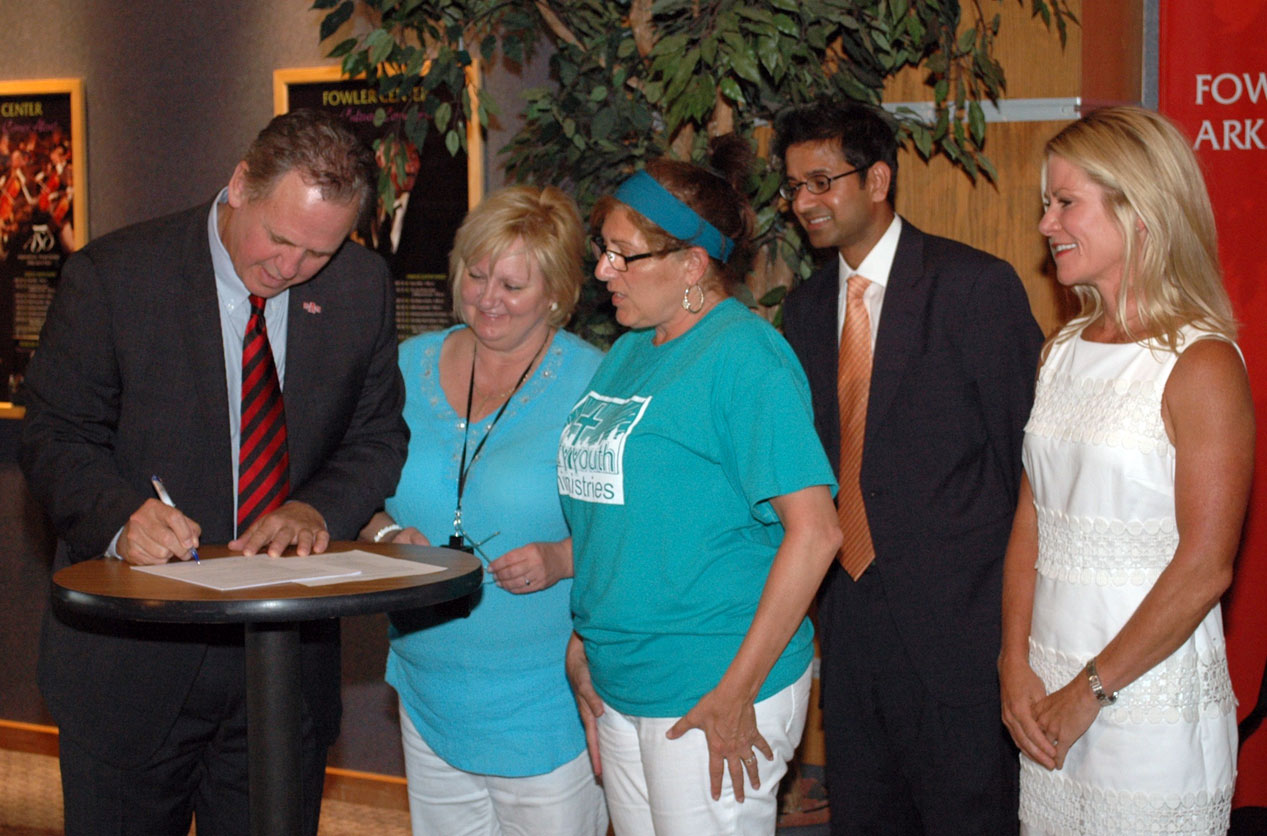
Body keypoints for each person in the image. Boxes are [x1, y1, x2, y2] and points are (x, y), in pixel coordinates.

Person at [20, 109, 408, 836]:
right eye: (279, 238)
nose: (289, 268)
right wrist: (119, 518)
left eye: (317, 252)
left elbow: (376, 436)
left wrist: (316, 509)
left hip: (282, 669)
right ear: (239, 185)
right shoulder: (117, 275)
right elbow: (56, 435)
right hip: (131, 664)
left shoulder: (360, 287)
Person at [560, 136, 842, 835]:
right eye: (603, 248)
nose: (603, 270)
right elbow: (614, 516)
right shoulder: (630, 351)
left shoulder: (746, 357)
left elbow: (816, 533)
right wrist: (586, 637)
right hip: (622, 674)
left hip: (711, 681)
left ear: (691, 263)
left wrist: (736, 690)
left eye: (623, 254)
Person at [775, 100, 1044, 834]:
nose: (804, 203)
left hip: (964, 635)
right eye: (794, 187)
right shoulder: (804, 311)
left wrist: (1019, 637)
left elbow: (1028, 466)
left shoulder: (972, 286)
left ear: (877, 179)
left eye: (821, 182)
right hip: (851, 630)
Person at [999, 106, 1251, 834]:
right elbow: (1032, 521)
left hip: (1147, 707)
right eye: (1046, 203)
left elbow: (1205, 567)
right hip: (1046, 691)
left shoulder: (1201, 363)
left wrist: (1088, 692)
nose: (1045, 224)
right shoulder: (1060, 351)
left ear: (1140, 210)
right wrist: (1012, 664)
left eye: (1065, 202)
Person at [358, 185, 609, 835]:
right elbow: (350, 491)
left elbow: (644, 529)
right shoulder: (404, 366)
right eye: (476, 275)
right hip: (426, 689)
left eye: (512, 285)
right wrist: (385, 533)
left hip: (546, 702)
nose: (488, 298)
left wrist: (562, 557)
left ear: (556, 293)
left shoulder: (596, 384)